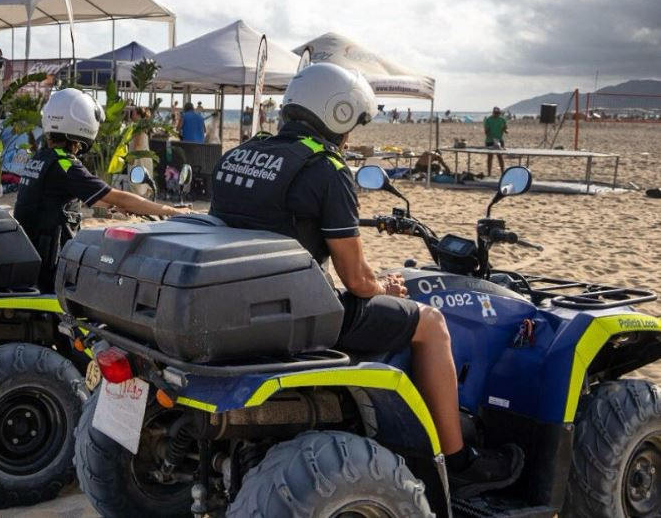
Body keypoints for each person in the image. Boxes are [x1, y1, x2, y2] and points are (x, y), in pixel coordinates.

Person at [209, 63, 524, 498]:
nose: (351, 135)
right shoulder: (325, 168)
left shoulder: (240, 153)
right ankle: (458, 460)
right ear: (338, 114)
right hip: (294, 314)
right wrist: (386, 288)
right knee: (430, 323)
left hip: (240, 302)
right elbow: (357, 280)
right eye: (353, 122)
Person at [13, 88, 188, 293]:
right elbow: (118, 196)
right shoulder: (65, 164)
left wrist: (112, 206)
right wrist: (171, 211)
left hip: (32, 256)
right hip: (51, 266)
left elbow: (59, 198)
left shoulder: (41, 157)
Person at [484, 106, 507, 176]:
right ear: (493, 112)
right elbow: (486, 132)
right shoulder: (488, 120)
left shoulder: (502, 119)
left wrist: (505, 130)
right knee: (490, 157)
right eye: (495, 113)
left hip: (499, 140)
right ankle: (489, 174)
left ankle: (503, 173)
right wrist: (490, 134)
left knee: (500, 157)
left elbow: (505, 129)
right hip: (490, 140)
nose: (497, 114)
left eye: (498, 113)